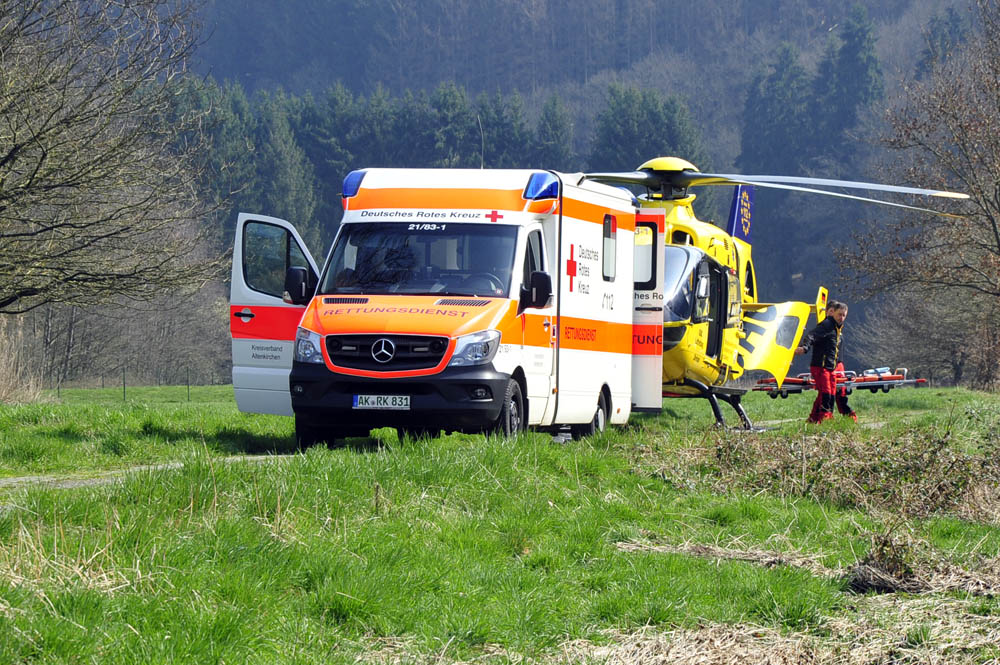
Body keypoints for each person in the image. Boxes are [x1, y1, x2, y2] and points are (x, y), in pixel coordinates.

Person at [794, 300, 857, 423]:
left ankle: (815, 418)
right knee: (826, 393)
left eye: (844, 315)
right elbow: (811, 335)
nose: (841, 318)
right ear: (832, 313)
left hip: (830, 367)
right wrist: (805, 347)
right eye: (839, 314)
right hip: (821, 366)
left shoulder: (837, 329)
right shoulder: (827, 325)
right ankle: (825, 418)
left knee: (832, 393)